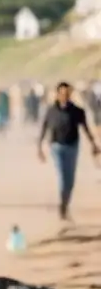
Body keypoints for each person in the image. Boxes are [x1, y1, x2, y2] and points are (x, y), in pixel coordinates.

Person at [37, 81, 99, 220]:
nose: (64, 96)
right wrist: (39, 147)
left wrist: (93, 144)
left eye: (67, 93)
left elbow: (86, 128)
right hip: (56, 147)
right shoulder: (51, 110)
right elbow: (44, 128)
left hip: (72, 146)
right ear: (58, 94)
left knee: (70, 181)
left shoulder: (77, 111)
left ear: (70, 94)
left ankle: (64, 205)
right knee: (62, 178)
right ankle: (62, 206)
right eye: (62, 93)